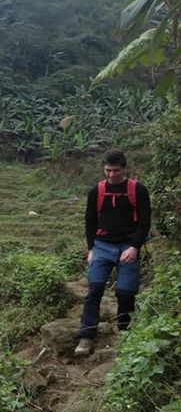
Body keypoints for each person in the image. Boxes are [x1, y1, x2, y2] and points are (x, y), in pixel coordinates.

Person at [75, 149, 151, 356]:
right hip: (102, 245)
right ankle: (87, 335)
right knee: (94, 289)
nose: (111, 175)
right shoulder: (96, 192)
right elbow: (89, 221)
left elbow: (145, 223)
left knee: (126, 292)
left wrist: (135, 247)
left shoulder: (138, 190)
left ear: (124, 168)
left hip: (128, 245)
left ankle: (125, 331)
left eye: (115, 171)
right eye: (107, 170)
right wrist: (91, 248)